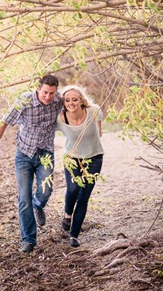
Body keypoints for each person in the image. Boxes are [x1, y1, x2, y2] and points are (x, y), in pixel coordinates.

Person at [0, 74, 62, 253]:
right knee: (24, 198)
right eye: (45, 92)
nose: (48, 97)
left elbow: (77, 107)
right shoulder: (24, 101)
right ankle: (28, 239)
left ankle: (39, 205)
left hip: (45, 154)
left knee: (46, 190)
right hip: (24, 155)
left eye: (51, 93)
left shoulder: (59, 101)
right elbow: (3, 123)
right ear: (38, 88)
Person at [56, 85, 104, 248]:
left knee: (84, 196)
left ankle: (74, 235)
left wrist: (98, 130)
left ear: (81, 100)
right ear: (63, 102)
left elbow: (99, 123)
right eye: (67, 100)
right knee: (73, 188)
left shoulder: (94, 110)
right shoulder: (60, 118)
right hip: (72, 158)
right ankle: (67, 215)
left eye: (75, 100)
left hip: (94, 158)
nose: (71, 103)